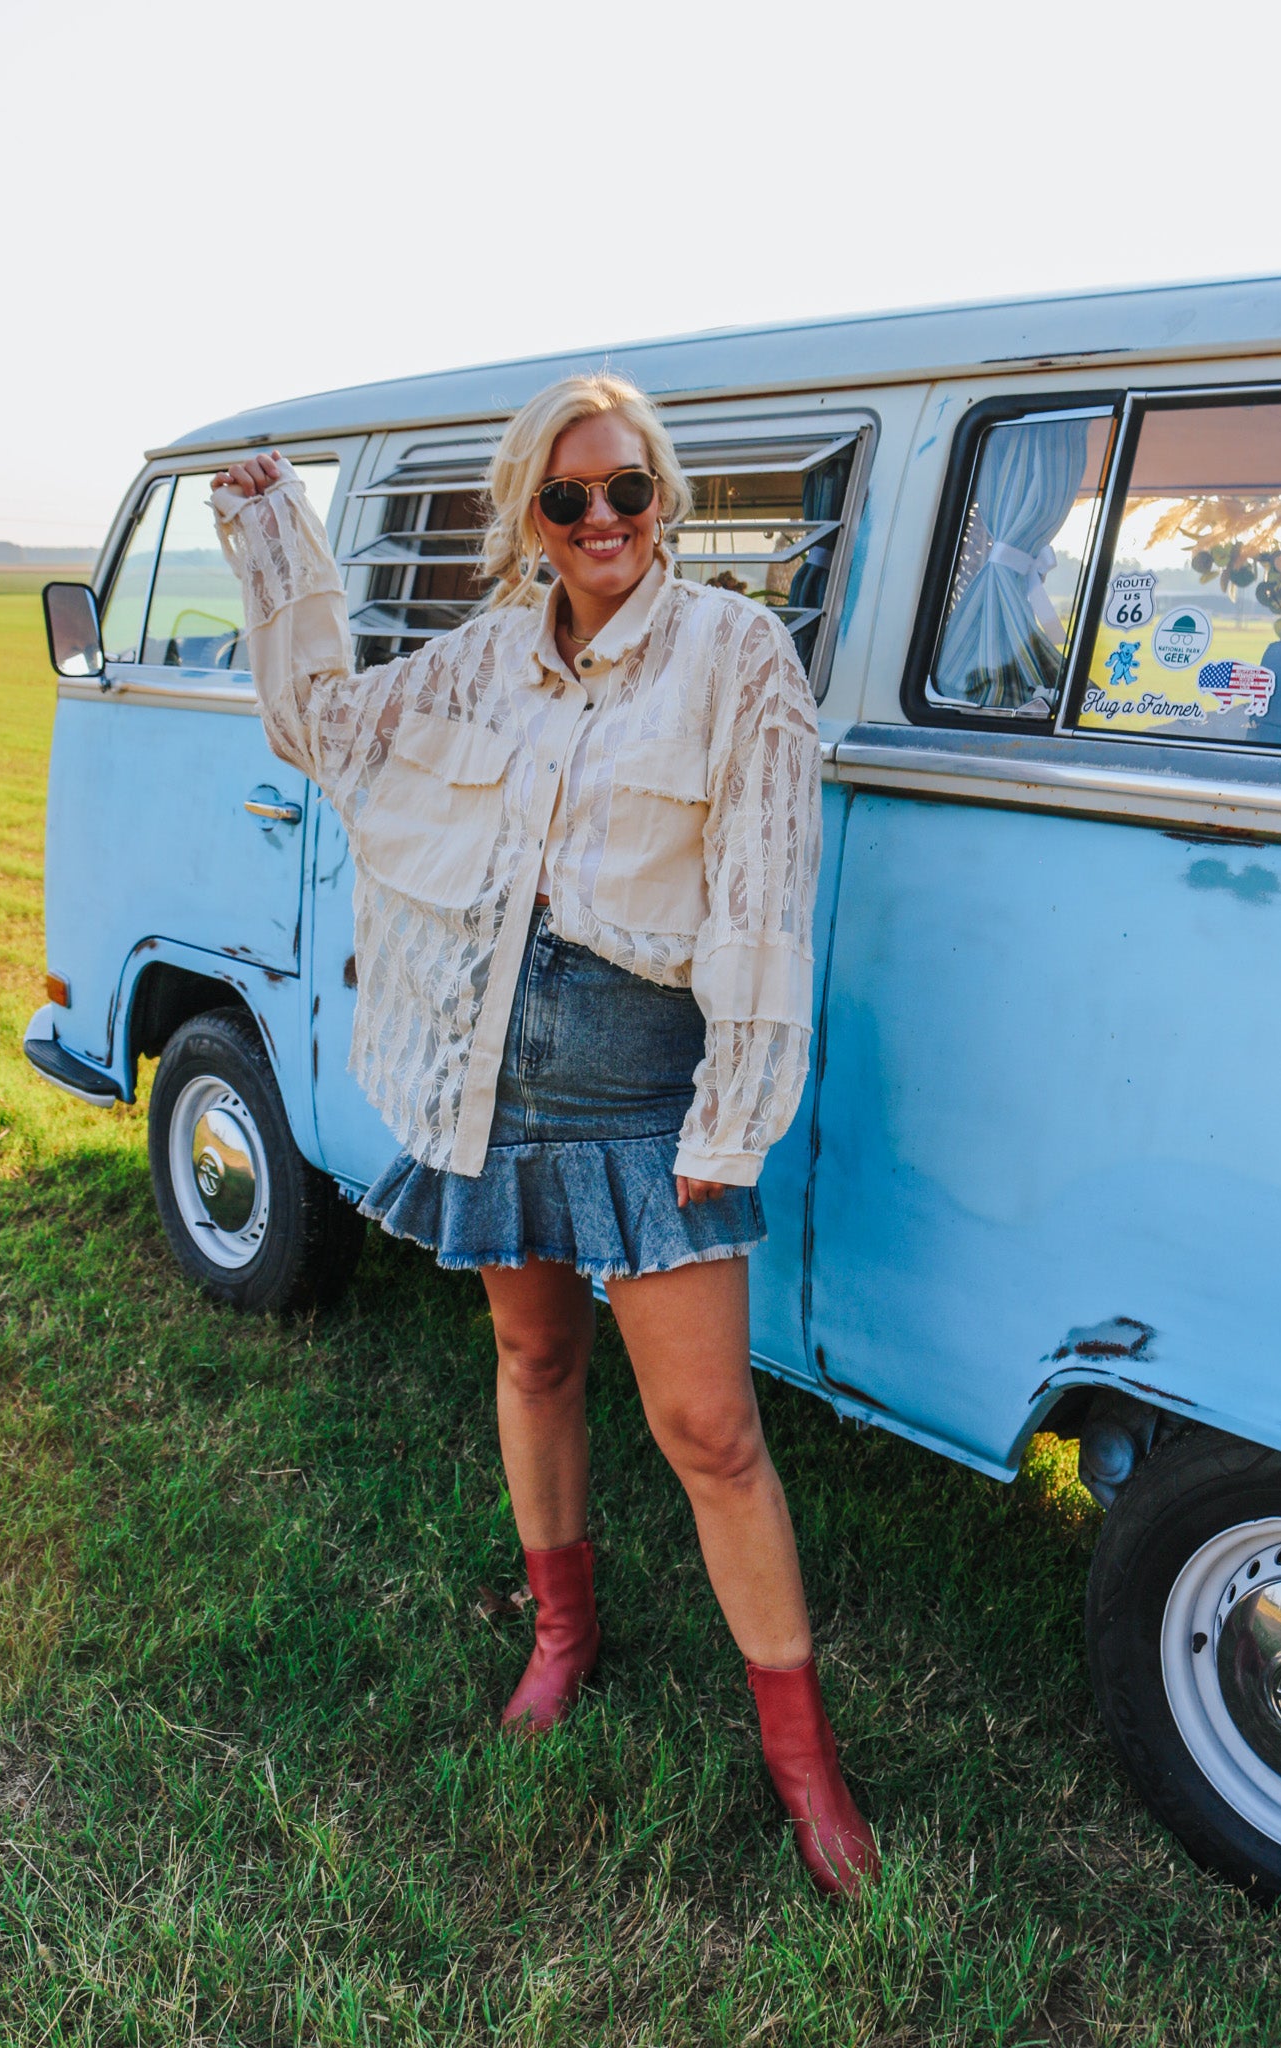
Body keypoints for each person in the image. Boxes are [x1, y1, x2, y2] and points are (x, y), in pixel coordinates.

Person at [211, 373, 878, 1896]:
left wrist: (737, 1108)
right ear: (529, 514)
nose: (603, 522)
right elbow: (323, 726)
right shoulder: (482, 665)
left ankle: (802, 1757)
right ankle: (561, 1631)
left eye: (627, 491)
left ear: (666, 501)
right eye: (570, 497)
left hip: (646, 1080)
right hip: (486, 1065)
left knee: (710, 1431)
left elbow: (768, 893)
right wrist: (273, 542)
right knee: (531, 1359)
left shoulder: (733, 654)